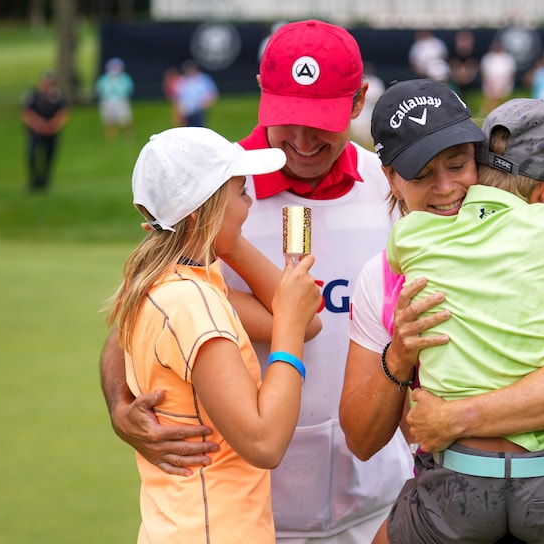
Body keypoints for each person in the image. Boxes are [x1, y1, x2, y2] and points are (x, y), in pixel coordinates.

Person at [99, 20, 414, 543]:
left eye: (321, 120)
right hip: (255, 515)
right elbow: (133, 321)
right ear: (263, 96)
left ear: (357, 102)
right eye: (289, 117)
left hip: (377, 504)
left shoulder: (392, 189)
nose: (302, 140)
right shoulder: (210, 193)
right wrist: (119, 406)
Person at [339, 79, 544, 542]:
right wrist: (397, 357)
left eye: (458, 165)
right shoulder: (380, 277)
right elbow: (360, 439)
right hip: (495, 491)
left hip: (486, 486)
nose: (446, 188)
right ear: (390, 178)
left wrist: (457, 418)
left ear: (478, 157)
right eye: (421, 175)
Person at [105, 126, 322, 543]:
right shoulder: (191, 303)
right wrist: (288, 329)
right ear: (200, 212)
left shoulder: (175, 283)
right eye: (240, 193)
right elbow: (264, 442)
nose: (251, 201)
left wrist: (227, 240)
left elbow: (307, 320)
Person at [21, 71, 68, 192]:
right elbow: (26, 112)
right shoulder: (33, 95)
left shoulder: (57, 96)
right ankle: (33, 180)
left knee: (49, 157)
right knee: (32, 155)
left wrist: (52, 125)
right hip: (35, 132)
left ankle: (45, 180)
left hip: (52, 132)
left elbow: (63, 113)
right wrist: (38, 124)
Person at [94, 57, 134, 140]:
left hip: (120, 100)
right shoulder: (104, 79)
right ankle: (111, 136)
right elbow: (99, 89)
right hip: (107, 101)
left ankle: (128, 135)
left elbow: (129, 88)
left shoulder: (124, 78)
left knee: (124, 118)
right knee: (109, 119)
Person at [174, 60, 218, 127]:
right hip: (186, 111)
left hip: (199, 110)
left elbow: (212, 94)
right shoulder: (182, 80)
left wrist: (205, 103)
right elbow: (177, 97)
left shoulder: (203, 79)